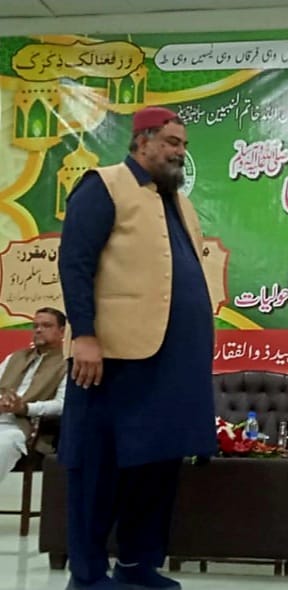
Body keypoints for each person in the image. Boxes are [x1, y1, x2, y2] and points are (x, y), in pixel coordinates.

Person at [58, 106, 217, 590]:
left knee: (157, 466)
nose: (179, 153)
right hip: (112, 361)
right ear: (142, 141)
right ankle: (87, 574)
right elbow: (74, 262)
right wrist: (85, 335)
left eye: (183, 145)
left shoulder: (178, 202)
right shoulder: (103, 185)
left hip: (170, 365)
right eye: (171, 142)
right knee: (99, 468)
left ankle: (137, 566)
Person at [0, 307, 66, 483]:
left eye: (46, 325)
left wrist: (25, 408)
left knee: (4, 442)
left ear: (62, 331)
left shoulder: (67, 364)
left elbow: (61, 405)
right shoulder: (15, 357)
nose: (38, 330)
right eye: (35, 326)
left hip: (22, 428)